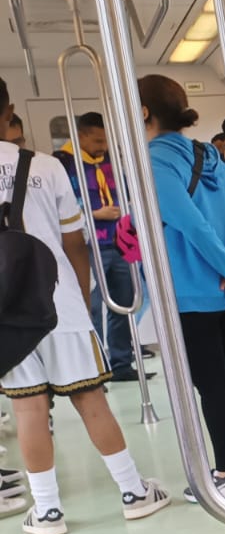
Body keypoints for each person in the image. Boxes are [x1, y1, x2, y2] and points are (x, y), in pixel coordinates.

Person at [0, 78, 170, 534]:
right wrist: (76, 294)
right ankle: (133, 492)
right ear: (9, 110)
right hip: (58, 304)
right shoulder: (46, 166)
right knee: (90, 399)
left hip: (4, 317)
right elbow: (75, 241)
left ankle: (49, 511)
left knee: (29, 410)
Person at [138, 76, 225, 502]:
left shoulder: (155, 161)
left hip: (189, 291)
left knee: (211, 383)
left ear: (143, 113)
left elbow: (190, 225)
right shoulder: (211, 156)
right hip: (224, 289)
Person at [54, 112, 142, 381]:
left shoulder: (111, 161)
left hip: (119, 242)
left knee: (124, 302)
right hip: (85, 244)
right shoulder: (62, 163)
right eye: (97, 140)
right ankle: (94, 367)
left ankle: (121, 363)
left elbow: (126, 191)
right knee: (88, 306)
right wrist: (94, 213)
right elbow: (60, 204)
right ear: (79, 136)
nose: (102, 146)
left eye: (105, 140)